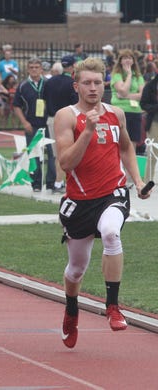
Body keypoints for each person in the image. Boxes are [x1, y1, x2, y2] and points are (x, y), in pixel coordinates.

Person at [54, 57, 151, 349]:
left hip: (113, 192)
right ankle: (72, 308)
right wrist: (86, 132)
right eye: (87, 83)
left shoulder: (116, 114)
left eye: (98, 82)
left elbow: (126, 149)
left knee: (111, 232)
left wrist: (139, 182)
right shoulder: (66, 116)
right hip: (80, 200)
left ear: (104, 84)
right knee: (76, 270)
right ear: (76, 86)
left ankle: (112, 307)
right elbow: (65, 162)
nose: (93, 88)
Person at [13, 57, 56, 192]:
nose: (34, 70)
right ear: (28, 69)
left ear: (41, 69)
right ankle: (36, 183)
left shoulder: (49, 84)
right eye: (31, 67)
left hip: (48, 124)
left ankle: (51, 183)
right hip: (31, 125)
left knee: (52, 153)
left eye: (36, 67)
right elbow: (16, 106)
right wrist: (24, 122)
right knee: (34, 154)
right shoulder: (23, 86)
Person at [43, 55, 79, 194]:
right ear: (72, 66)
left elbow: (43, 99)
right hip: (67, 119)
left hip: (52, 118)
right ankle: (59, 182)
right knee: (64, 153)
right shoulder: (72, 83)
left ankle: (56, 180)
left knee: (55, 153)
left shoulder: (50, 82)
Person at [110, 49, 145, 151]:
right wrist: (129, 75)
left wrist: (124, 96)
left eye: (130, 58)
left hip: (135, 111)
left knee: (133, 141)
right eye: (125, 58)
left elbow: (142, 95)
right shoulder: (116, 75)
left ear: (133, 61)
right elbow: (123, 90)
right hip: (120, 111)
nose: (127, 60)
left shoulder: (138, 76)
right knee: (120, 141)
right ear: (120, 61)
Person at [139, 71, 158, 181]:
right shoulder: (150, 86)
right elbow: (143, 104)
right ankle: (146, 181)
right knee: (152, 154)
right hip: (154, 123)